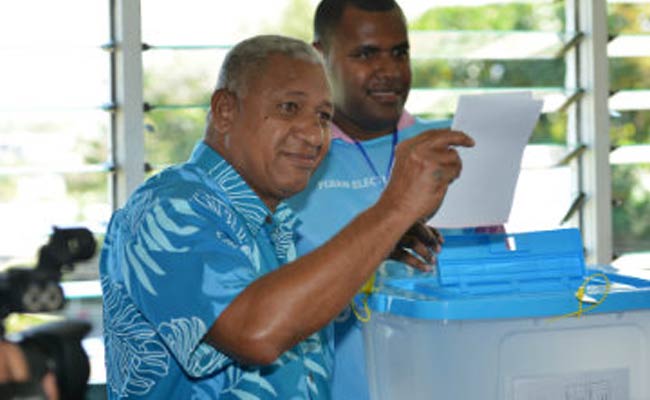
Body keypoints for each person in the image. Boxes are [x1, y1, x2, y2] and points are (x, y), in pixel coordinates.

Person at [99, 34, 473, 399]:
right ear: (226, 110)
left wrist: (379, 246)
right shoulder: (168, 207)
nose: (313, 135)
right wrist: (392, 212)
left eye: (324, 117)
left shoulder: (275, 227)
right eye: (289, 108)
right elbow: (255, 332)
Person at [287, 1, 502, 399]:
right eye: (366, 54)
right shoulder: (290, 162)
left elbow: (494, 295)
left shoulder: (447, 148)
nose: (389, 71)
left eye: (400, 52)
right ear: (320, 56)